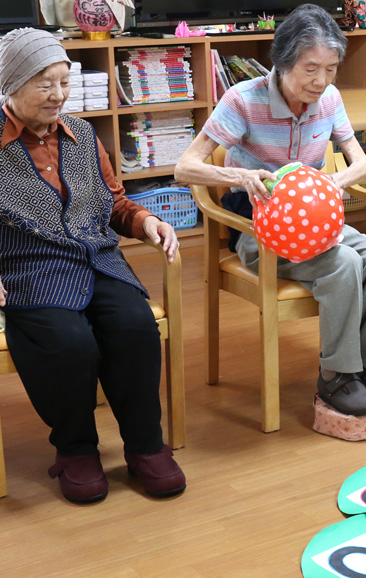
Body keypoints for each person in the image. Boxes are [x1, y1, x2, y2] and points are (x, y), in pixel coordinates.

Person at [175, 4, 366, 417]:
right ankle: (336, 374)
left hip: (317, 223)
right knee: (344, 263)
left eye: (331, 69)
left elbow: (362, 164)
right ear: (282, 61)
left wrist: (332, 183)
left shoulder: (329, 98)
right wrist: (240, 178)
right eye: (311, 68)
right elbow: (184, 166)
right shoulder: (243, 100)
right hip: (259, 230)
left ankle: (365, 367)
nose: (322, 81)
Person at [0, 28, 185, 503]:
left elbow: (113, 202)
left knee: (135, 326)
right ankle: (76, 448)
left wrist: (146, 222)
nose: (59, 95)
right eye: (45, 83)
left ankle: (145, 446)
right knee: (68, 342)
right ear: (12, 84)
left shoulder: (82, 133)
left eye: (64, 81)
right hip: (28, 266)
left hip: (97, 257)